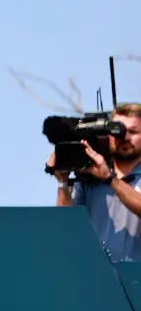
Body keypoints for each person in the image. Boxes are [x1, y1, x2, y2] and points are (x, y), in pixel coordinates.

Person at [48, 102, 141, 262]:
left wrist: (110, 179)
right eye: (117, 131)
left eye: (132, 132)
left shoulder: (104, 176)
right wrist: (64, 183)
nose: (124, 137)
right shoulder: (90, 176)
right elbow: (66, 227)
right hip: (97, 277)